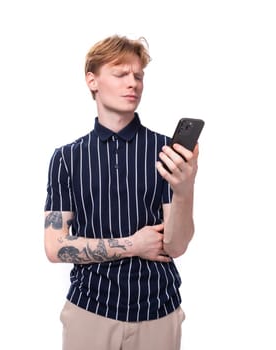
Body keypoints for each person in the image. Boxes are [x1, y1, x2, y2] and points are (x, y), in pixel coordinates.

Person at [44, 34, 200, 350]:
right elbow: (54, 246)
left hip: (158, 313)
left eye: (139, 76)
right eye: (120, 74)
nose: (134, 83)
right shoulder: (66, 158)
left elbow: (176, 245)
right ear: (92, 81)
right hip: (90, 312)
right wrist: (132, 244)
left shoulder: (164, 151)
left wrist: (185, 190)